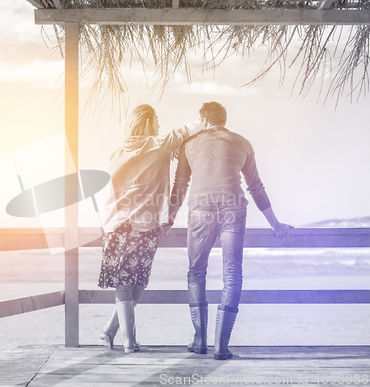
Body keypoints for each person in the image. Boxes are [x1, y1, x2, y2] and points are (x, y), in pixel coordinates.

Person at [165, 101, 293, 360]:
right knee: (232, 273)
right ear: (224, 118)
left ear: (203, 119)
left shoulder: (188, 144)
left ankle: (200, 340)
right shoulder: (243, 142)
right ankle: (221, 346)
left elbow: (180, 184)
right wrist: (275, 224)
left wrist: (168, 218)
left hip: (199, 209)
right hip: (234, 208)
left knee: (196, 272)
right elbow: (256, 186)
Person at [98, 104, 205, 354]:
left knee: (134, 284)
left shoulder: (116, 154)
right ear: (146, 122)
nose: (159, 124)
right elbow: (192, 127)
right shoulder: (160, 145)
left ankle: (110, 331)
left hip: (118, 224)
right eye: (156, 120)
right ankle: (129, 341)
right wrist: (198, 125)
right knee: (130, 284)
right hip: (141, 224)